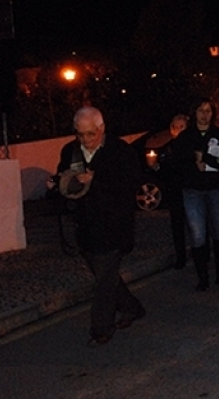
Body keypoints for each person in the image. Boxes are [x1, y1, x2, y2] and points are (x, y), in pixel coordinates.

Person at [56, 107, 145, 345]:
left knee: (104, 281)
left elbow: (132, 181)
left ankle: (101, 329)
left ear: (101, 129)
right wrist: (60, 184)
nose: (86, 139)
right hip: (85, 226)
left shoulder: (120, 151)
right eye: (81, 134)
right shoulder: (70, 151)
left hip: (114, 225)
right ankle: (132, 307)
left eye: (91, 134)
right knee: (105, 275)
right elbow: (63, 180)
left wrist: (97, 181)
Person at [175, 98, 219, 292]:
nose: (204, 114)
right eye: (201, 110)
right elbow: (178, 163)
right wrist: (193, 165)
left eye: (208, 110)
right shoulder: (186, 137)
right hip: (193, 190)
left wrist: (207, 160)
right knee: (198, 234)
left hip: (216, 188)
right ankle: (202, 276)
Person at [152, 114, 190, 270]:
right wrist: (156, 167)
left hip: (190, 190)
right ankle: (180, 256)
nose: (178, 130)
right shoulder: (167, 148)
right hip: (175, 192)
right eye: (175, 127)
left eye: (182, 127)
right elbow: (163, 172)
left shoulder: (191, 146)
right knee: (177, 225)